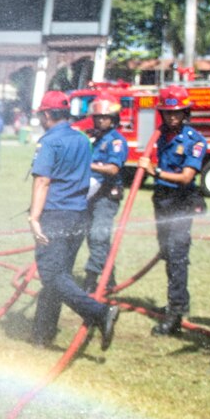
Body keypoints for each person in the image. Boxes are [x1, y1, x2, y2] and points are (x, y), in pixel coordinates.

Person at [28, 91, 121, 350]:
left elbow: (43, 180)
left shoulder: (49, 142)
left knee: (52, 274)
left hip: (55, 215)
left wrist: (34, 217)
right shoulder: (82, 139)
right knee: (59, 275)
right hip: (79, 215)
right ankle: (42, 334)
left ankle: (100, 312)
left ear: (47, 114)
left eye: (41, 115)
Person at [140, 85, 207, 336]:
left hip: (181, 201)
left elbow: (186, 177)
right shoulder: (160, 136)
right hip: (162, 200)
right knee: (167, 253)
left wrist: (155, 172)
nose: (172, 117)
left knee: (177, 254)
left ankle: (175, 313)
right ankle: (178, 302)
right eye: (167, 113)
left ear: (185, 112)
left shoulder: (195, 141)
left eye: (177, 112)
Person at [81, 96, 129, 292]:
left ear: (113, 119)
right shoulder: (95, 139)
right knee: (94, 237)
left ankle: (90, 280)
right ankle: (109, 279)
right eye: (98, 117)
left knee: (98, 235)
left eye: (105, 117)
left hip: (107, 195)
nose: (100, 120)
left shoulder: (116, 141)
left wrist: (88, 165)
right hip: (92, 193)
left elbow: (113, 169)